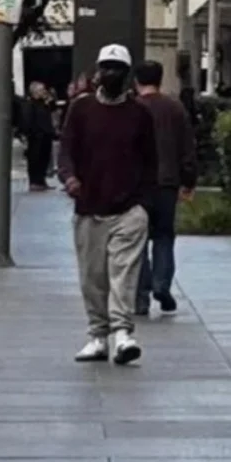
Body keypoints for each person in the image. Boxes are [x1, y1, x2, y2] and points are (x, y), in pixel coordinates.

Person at [56, 44, 158, 367]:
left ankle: (123, 333)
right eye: (105, 67)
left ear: (127, 75)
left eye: (117, 68)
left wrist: (143, 205)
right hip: (89, 208)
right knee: (93, 277)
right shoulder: (81, 109)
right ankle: (98, 336)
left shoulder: (139, 114)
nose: (110, 73)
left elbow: (150, 160)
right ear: (97, 70)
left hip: (129, 210)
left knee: (123, 274)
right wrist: (69, 177)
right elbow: (66, 150)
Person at [132, 60, 197, 316]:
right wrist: (188, 181)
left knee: (137, 240)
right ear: (160, 80)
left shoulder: (132, 108)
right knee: (164, 236)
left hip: (137, 186)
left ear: (136, 81)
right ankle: (162, 284)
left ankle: (141, 295)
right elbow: (187, 147)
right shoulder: (175, 108)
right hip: (167, 184)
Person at [22, 81, 57, 191]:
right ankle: (34, 181)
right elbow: (27, 120)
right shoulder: (30, 104)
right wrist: (29, 133)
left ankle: (41, 180)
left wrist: (50, 101)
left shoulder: (44, 103)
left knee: (44, 158)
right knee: (35, 158)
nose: (44, 92)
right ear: (35, 92)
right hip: (36, 136)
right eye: (41, 90)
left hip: (46, 134)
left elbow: (53, 109)